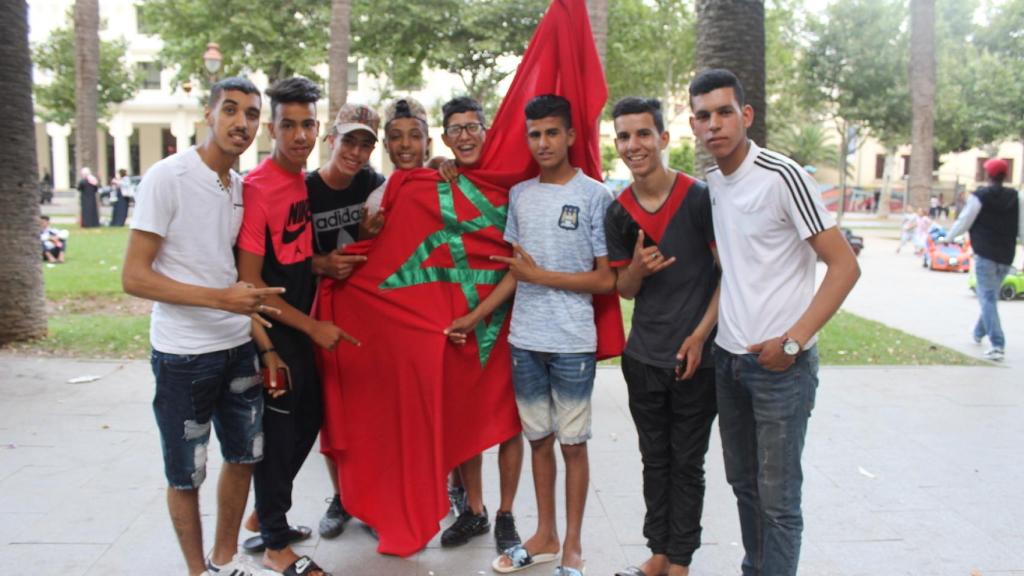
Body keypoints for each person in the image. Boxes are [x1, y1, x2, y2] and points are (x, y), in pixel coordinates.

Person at [688, 69, 859, 576]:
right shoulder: (714, 184)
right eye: (703, 116)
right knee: (744, 486)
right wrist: (703, 334)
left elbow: (845, 265)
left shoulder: (783, 175)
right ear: (694, 126)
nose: (714, 124)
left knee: (779, 501)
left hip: (781, 368)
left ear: (746, 115)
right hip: (730, 362)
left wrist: (792, 342)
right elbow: (734, 272)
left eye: (723, 112)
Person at [447, 94, 615, 576]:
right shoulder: (520, 195)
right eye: (534, 134)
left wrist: (545, 277)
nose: (542, 143)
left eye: (551, 133)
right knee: (538, 439)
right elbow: (515, 273)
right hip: (525, 341)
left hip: (572, 344)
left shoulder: (594, 196)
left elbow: (606, 280)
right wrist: (476, 316)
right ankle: (545, 535)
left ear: (570, 137)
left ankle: (574, 547)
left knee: (573, 445)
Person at [121, 76, 281, 576]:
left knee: (245, 456)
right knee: (186, 473)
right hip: (183, 355)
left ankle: (224, 560)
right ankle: (197, 571)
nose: (241, 123)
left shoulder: (238, 186)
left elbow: (226, 272)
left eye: (251, 114)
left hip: (236, 348)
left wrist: (264, 344)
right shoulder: (168, 177)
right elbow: (134, 277)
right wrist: (221, 299)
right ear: (206, 117)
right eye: (230, 110)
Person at [236, 76, 356, 576]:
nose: (300, 135)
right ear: (271, 128)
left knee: (308, 422)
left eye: (308, 124)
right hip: (278, 334)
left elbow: (290, 257)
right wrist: (299, 334)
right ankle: (275, 545)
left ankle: (266, 515)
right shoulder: (259, 187)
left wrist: (320, 265)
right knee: (280, 436)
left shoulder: (299, 183)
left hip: (302, 329)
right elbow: (251, 284)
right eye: (289, 125)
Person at [604, 97, 720, 576]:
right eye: (626, 137)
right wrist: (635, 268)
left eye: (644, 134)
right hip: (644, 358)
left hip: (697, 359)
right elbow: (624, 291)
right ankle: (658, 553)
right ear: (618, 145)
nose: (635, 145)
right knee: (654, 460)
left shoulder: (699, 199)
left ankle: (681, 562)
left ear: (664, 138)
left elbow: (727, 277)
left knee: (687, 463)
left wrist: (699, 336)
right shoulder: (619, 212)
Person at [436, 96, 526, 554]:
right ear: (445, 137)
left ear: (487, 131)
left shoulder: (514, 181)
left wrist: (477, 316)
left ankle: (507, 514)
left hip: (508, 322)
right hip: (459, 324)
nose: (466, 135)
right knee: (467, 416)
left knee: (509, 422)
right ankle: (474, 509)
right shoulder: (439, 181)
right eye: (456, 129)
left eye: (473, 126)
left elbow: (519, 262)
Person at [306, 102, 384, 539]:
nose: (355, 151)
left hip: (367, 317)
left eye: (365, 143)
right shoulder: (306, 190)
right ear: (331, 138)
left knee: (368, 410)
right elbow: (285, 255)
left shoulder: (375, 185)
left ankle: (369, 499)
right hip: (320, 314)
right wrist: (320, 264)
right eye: (349, 140)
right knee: (332, 412)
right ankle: (342, 498)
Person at [943, 158, 1022, 361]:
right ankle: (978, 332)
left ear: (988, 175)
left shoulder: (980, 197)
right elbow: (1021, 225)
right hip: (1006, 254)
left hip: (986, 254)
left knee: (987, 297)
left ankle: (997, 344)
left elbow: (965, 220)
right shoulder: (1016, 197)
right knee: (991, 296)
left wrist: (949, 238)